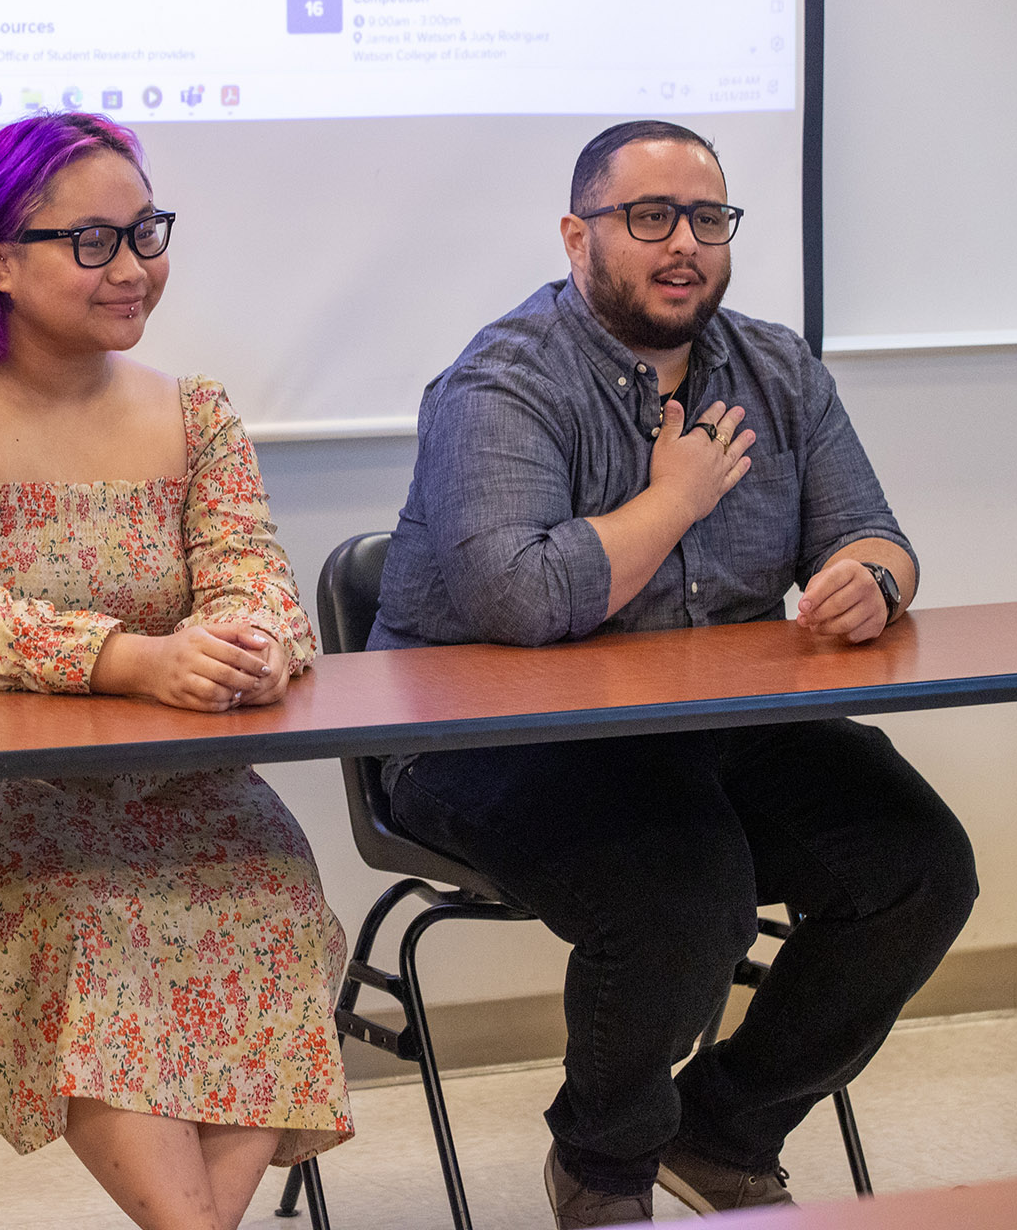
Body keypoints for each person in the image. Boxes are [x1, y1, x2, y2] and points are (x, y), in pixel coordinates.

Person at [369, 121, 978, 1228]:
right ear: (577, 235)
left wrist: (872, 579)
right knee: (686, 888)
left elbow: (876, 534)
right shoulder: (498, 382)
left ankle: (725, 1127)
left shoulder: (777, 367)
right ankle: (605, 1167)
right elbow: (521, 601)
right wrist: (676, 498)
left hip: (706, 727)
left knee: (918, 862)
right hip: (486, 738)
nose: (683, 243)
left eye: (708, 218)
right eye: (649, 218)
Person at [0, 111, 352, 1230]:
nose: (135, 267)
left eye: (146, 232)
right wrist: (136, 658)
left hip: (166, 780)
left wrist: (249, 646)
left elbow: (258, 578)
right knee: (93, 917)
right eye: (94, 242)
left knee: (275, 890)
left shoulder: (194, 411)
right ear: (0, 260)